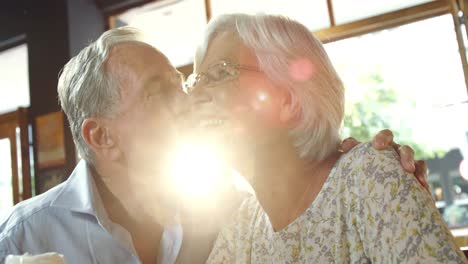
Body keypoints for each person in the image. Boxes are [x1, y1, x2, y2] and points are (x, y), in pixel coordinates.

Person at [0, 27, 426, 264]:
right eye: (159, 92)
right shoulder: (24, 238)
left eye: (182, 83)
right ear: (102, 137)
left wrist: (367, 168)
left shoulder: (232, 210)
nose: (189, 100)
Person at [182, 14, 467, 263]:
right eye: (195, 81)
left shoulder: (368, 176)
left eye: (220, 72)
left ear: (288, 100)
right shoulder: (242, 227)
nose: (194, 96)